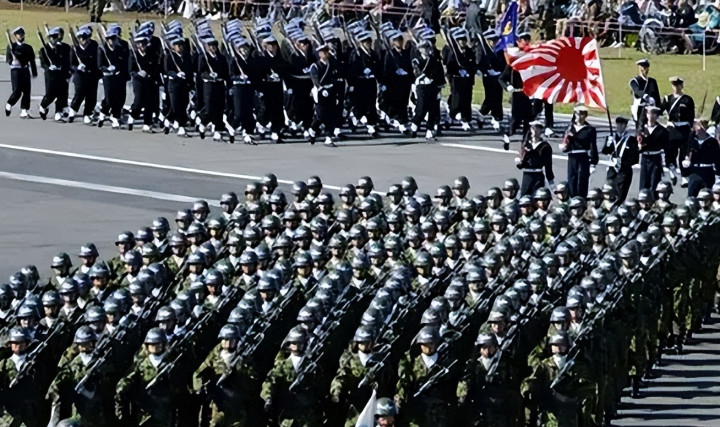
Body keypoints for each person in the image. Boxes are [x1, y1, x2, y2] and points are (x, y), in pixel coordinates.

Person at [661, 76, 695, 187]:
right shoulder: (668, 99)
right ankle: (673, 172)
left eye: (678, 85)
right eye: (674, 85)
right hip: (672, 129)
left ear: (682, 86)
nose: (676, 87)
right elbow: (659, 111)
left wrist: (691, 128)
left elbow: (691, 116)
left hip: (684, 129)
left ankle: (684, 176)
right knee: (670, 152)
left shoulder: (687, 99)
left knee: (684, 153)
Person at [348, 31, 382, 138]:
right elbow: (352, 68)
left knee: (371, 104)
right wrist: (353, 81)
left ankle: (371, 126)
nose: (368, 44)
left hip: (371, 82)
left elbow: (378, 67)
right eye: (366, 42)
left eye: (369, 42)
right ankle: (355, 117)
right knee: (361, 104)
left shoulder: (373, 54)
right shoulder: (356, 53)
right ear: (361, 43)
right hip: (360, 82)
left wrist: (379, 80)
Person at [410, 40, 446, 141]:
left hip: (433, 87)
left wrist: (440, 85)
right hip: (422, 87)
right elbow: (416, 73)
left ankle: (429, 131)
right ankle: (415, 124)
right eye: (423, 48)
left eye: (427, 48)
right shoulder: (416, 61)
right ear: (420, 49)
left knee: (433, 109)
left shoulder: (435, 60)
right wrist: (425, 76)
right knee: (422, 108)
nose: (426, 50)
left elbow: (440, 74)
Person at [443, 28, 477, 131]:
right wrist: (457, 72)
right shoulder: (453, 52)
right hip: (456, 80)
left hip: (467, 80)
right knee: (456, 100)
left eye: (464, 39)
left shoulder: (469, 52)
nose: (463, 42)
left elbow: (473, 64)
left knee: (467, 100)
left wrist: (469, 72)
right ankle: (454, 115)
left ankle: (466, 119)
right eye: (460, 40)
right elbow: (449, 66)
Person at [561, 105, 599, 198]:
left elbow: (593, 146)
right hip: (572, 156)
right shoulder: (570, 128)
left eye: (582, 114)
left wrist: (593, 162)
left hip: (583, 156)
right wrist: (565, 147)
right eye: (578, 114)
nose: (579, 116)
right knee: (572, 178)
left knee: (582, 179)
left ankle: (581, 199)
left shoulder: (589, 129)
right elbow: (566, 142)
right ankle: (572, 197)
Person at [128, 31, 162, 134]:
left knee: (149, 103)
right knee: (138, 102)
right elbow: (131, 70)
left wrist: (150, 74)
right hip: (138, 81)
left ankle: (147, 124)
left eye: (144, 43)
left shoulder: (152, 53)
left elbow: (155, 67)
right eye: (140, 43)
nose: (142, 46)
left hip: (149, 80)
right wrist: (138, 73)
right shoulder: (134, 55)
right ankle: (133, 114)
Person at [97, 24, 130, 130]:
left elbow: (125, 61)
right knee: (109, 98)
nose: (111, 40)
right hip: (108, 77)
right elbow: (100, 65)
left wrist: (123, 71)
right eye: (109, 38)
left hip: (120, 76)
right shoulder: (102, 49)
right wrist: (107, 69)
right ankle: (106, 112)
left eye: (113, 38)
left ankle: (115, 115)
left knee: (121, 97)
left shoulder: (122, 47)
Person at [309, 43, 341, 147]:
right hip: (321, 92)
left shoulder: (331, 64)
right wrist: (320, 88)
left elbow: (335, 77)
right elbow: (314, 79)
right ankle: (313, 128)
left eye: (327, 52)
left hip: (331, 90)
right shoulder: (315, 66)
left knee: (331, 114)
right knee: (321, 115)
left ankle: (329, 137)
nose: (326, 54)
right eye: (324, 52)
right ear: (319, 54)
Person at [38, 27, 71, 122]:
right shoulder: (44, 50)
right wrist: (49, 67)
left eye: (55, 37)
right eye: (52, 37)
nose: (54, 39)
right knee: (50, 94)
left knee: (61, 94)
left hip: (60, 74)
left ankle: (58, 113)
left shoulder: (61, 48)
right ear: (49, 38)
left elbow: (65, 62)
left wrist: (67, 73)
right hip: (50, 75)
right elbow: (43, 63)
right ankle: (43, 106)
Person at [164, 35, 194, 137]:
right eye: (178, 45)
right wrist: (176, 74)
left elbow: (190, 71)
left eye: (181, 45)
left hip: (184, 85)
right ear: (174, 46)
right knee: (177, 106)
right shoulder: (170, 56)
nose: (180, 47)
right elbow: (167, 70)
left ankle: (168, 119)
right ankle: (181, 126)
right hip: (174, 85)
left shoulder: (186, 56)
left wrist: (192, 86)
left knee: (184, 104)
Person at [603, 116, 639, 202]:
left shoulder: (631, 140)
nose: (620, 126)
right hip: (612, 170)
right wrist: (608, 144)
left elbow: (635, 158)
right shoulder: (611, 137)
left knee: (621, 195)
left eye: (622, 124)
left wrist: (624, 163)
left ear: (625, 126)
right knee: (609, 192)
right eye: (618, 124)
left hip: (624, 171)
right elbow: (605, 151)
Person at [69, 26, 99, 125]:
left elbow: (97, 61)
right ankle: (73, 110)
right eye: (81, 38)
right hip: (80, 75)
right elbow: (71, 64)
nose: (83, 40)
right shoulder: (75, 48)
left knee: (91, 96)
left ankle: (87, 114)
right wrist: (77, 67)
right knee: (79, 93)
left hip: (92, 74)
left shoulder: (94, 46)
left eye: (85, 38)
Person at [516, 120, 555, 196]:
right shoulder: (526, 144)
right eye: (533, 128)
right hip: (527, 176)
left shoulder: (545, 146)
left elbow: (548, 167)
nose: (535, 130)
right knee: (524, 198)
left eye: (537, 128)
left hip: (538, 176)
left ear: (541, 130)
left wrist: (552, 184)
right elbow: (522, 164)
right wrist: (519, 163)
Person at [5, 27, 37, 118]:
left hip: (25, 70)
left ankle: (24, 110)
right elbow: (8, 59)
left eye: (22, 35)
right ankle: (9, 104)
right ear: (16, 36)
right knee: (17, 91)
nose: (21, 36)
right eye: (19, 35)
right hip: (16, 71)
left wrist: (34, 72)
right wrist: (13, 60)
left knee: (27, 91)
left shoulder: (28, 47)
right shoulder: (12, 46)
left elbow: (32, 60)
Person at [683, 119, 720, 196]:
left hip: (707, 172)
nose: (697, 129)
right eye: (696, 126)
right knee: (691, 196)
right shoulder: (692, 139)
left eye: (700, 126)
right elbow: (687, 152)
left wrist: (718, 177)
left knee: (706, 195)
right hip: (694, 172)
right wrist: (686, 161)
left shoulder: (712, 142)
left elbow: (717, 160)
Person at [476, 30, 504, 132]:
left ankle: (497, 117)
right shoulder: (482, 48)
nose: (494, 42)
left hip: (498, 76)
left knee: (498, 97)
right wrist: (485, 70)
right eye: (492, 40)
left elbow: (503, 62)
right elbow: (479, 62)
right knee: (490, 97)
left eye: (495, 40)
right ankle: (482, 114)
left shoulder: (500, 49)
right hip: (488, 76)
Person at [638, 106, 670, 192]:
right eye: (649, 113)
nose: (651, 116)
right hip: (645, 157)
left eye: (654, 113)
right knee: (643, 183)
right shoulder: (641, 129)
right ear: (646, 114)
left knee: (654, 183)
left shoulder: (662, 130)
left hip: (655, 157)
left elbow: (666, 146)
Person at [629, 58, 660, 127]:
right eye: (644, 68)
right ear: (640, 68)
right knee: (640, 128)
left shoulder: (652, 81)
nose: (645, 70)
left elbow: (657, 96)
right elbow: (637, 91)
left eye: (646, 68)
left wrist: (658, 109)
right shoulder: (634, 81)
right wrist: (646, 96)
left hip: (651, 109)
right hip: (640, 109)